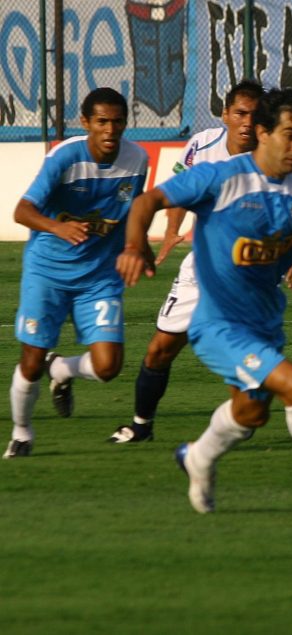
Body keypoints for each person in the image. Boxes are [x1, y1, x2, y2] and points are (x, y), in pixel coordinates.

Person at [116, 87, 292, 515]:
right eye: (289, 135)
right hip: (218, 323)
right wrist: (133, 246)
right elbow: (149, 200)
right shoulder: (221, 177)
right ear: (262, 132)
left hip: (264, 323)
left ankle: (197, 457)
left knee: (251, 413)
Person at [109, 79, 266, 443]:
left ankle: (241, 421)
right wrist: (171, 231)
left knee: (242, 355)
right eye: (240, 113)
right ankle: (141, 426)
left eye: (255, 115)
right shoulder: (201, 146)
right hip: (202, 266)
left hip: (249, 274)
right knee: (160, 349)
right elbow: (179, 191)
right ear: (225, 114)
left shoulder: (270, 156)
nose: (246, 122)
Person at [4, 88, 149, 459]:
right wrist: (58, 227)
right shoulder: (65, 157)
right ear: (85, 123)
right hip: (48, 272)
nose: (109, 129)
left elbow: (134, 211)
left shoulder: (137, 159)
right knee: (31, 362)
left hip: (99, 276)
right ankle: (21, 433)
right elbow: (22, 211)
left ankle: (64, 369)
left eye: (117, 121)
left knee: (108, 367)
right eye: (101, 121)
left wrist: (139, 249)